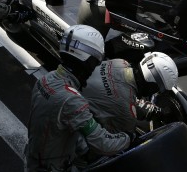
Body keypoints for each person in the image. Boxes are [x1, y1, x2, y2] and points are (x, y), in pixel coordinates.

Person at [25, 24, 132, 171]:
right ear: (86, 60)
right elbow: (103, 144)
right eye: (95, 62)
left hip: (34, 159)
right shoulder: (72, 99)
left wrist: (84, 150)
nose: (94, 67)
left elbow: (59, 124)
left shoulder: (45, 80)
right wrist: (128, 138)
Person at [81, 52, 179, 134]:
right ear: (151, 85)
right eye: (156, 89)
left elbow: (124, 94)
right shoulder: (126, 112)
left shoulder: (120, 63)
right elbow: (118, 139)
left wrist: (154, 111)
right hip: (76, 125)